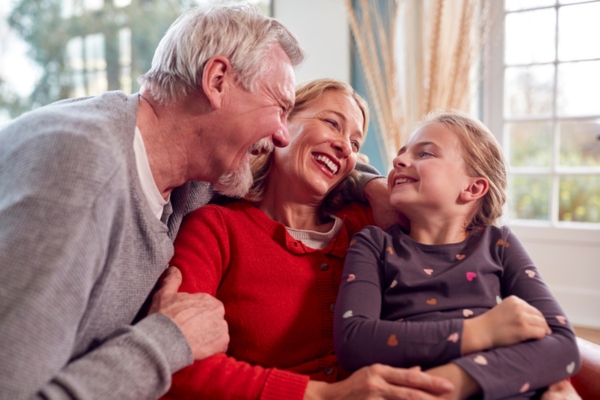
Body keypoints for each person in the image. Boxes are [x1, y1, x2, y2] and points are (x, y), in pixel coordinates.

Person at [0, 4, 305, 399]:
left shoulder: (189, 175)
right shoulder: (82, 171)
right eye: (280, 108)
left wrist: (377, 187)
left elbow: (301, 164)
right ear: (216, 81)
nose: (283, 137)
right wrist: (166, 341)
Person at [163, 79, 457, 400]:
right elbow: (177, 367)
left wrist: (372, 184)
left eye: (356, 144)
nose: (346, 147)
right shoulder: (217, 229)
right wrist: (326, 394)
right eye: (332, 123)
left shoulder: (368, 222)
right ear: (282, 124)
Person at [334, 110, 582, 399]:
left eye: (425, 154)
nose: (398, 161)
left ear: (473, 187)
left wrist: (457, 379)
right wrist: (480, 332)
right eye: (401, 154)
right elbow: (353, 341)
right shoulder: (373, 244)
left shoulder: (498, 243)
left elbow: (563, 346)